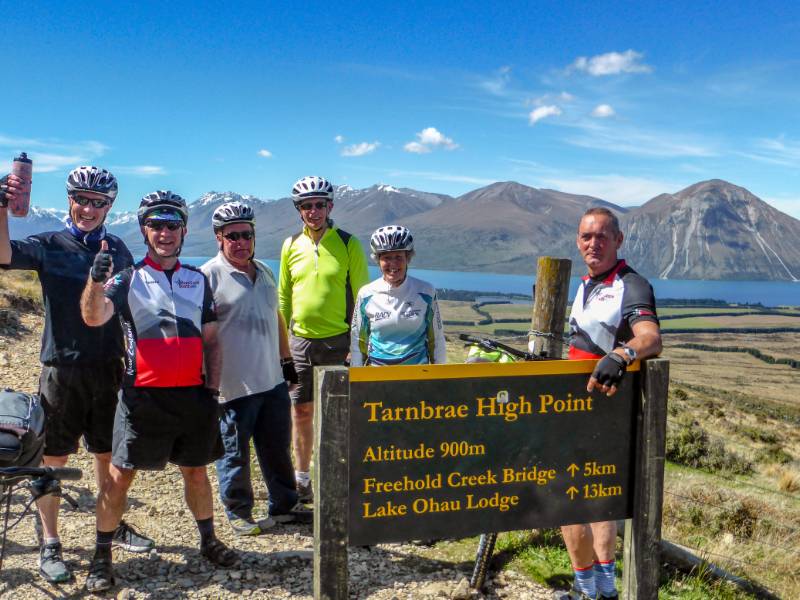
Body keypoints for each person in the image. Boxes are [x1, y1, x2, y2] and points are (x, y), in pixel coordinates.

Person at [0, 167, 154, 584]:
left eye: (98, 203)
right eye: (81, 199)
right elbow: (4, 256)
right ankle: (50, 542)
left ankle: (112, 525)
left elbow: (129, 305)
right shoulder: (49, 244)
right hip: (61, 368)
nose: (88, 208)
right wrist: (1, 207)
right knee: (52, 458)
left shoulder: (118, 248)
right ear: (69, 199)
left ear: (109, 206)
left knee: (108, 455)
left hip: (108, 366)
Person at [80, 190, 236, 592]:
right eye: (156, 225)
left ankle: (208, 541)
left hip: (193, 396)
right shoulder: (127, 278)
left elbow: (212, 341)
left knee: (196, 472)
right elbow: (93, 317)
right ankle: (101, 557)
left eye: (172, 225)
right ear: (144, 230)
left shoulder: (197, 280)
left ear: (183, 230)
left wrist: (213, 391)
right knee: (119, 477)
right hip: (143, 396)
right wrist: (95, 281)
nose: (164, 233)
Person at [557, 207, 662, 600]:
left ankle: (585, 588)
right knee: (598, 500)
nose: (593, 243)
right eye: (586, 236)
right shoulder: (587, 283)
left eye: (602, 236)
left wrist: (621, 355)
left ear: (618, 240)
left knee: (568, 498)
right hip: (580, 408)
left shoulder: (630, 285)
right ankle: (603, 588)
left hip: (605, 408)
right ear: (577, 241)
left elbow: (650, 337)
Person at [201, 201, 310, 535]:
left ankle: (285, 506)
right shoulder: (208, 276)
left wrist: (287, 362)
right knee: (233, 452)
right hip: (232, 384)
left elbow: (275, 316)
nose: (241, 242)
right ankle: (239, 512)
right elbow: (201, 334)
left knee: (277, 448)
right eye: (232, 236)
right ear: (219, 238)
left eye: (246, 235)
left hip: (271, 379)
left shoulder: (264, 271)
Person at [278, 176, 369, 502]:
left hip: (338, 343)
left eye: (319, 205)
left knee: (336, 415)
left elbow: (362, 298)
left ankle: (335, 480)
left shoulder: (348, 243)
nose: (313, 211)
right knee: (300, 412)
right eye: (307, 206)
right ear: (299, 210)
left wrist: (356, 347)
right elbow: (284, 299)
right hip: (300, 343)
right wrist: (282, 347)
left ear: (330, 207)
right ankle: (302, 480)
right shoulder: (290, 245)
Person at [350, 225, 446, 366]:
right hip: (377, 373)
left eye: (398, 257)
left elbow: (436, 339)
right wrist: (356, 374)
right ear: (378, 260)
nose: (393, 264)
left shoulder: (426, 292)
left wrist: (440, 374)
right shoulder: (366, 294)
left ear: (408, 258)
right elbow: (358, 341)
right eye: (386, 258)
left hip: (417, 373)